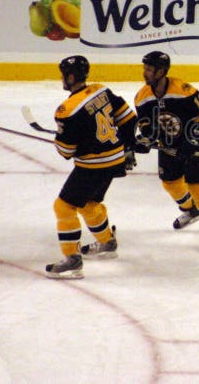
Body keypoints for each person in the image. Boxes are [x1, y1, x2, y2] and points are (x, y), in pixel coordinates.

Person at [45, 55, 138, 279]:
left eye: (63, 75)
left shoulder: (66, 110)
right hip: (115, 160)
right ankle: (106, 242)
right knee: (89, 203)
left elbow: (66, 151)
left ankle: (72, 259)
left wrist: (60, 139)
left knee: (64, 207)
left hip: (93, 165)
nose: (62, 79)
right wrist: (127, 148)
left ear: (70, 76)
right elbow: (129, 118)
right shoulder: (101, 90)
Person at [133, 51, 199, 248]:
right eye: (145, 69)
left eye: (149, 69)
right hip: (170, 144)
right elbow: (147, 126)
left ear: (161, 71)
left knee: (198, 185)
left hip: (196, 142)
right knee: (170, 182)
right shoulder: (142, 97)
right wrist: (145, 140)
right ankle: (192, 210)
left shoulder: (182, 89)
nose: (145, 73)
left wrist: (196, 136)